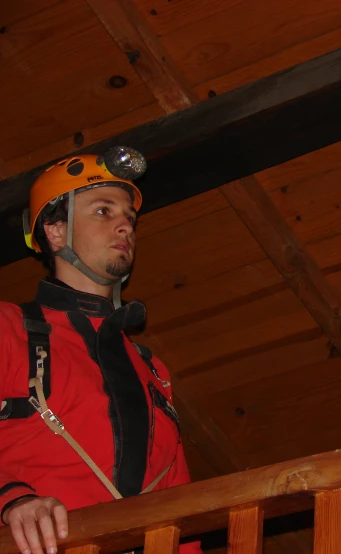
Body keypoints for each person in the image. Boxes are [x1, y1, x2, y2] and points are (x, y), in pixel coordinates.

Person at [0, 148, 200, 554]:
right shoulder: (7, 329)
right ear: (55, 232)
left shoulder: (151, 368)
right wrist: (12, 499)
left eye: (130, 216)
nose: (125, 224)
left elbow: (177, 496)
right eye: (103, 211)